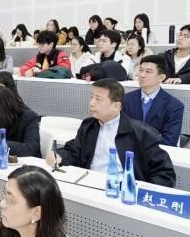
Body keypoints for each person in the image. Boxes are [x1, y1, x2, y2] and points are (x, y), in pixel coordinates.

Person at [46, 79, 176, 187]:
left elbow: (165, 174)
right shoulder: (88, 125)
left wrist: (137, 190)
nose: (91, 103)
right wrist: (60, 156)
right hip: (88, 183)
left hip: (121, 190)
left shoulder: (141, 133)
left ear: (116, 106)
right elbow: (75, 150)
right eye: (92, 97)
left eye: (98, 99)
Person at [122, 56, 184, 147]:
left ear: (161, 77)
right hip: (128, 150)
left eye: (148, 71)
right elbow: (120, 131)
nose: (142, 75)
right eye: (141, 70)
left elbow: (169, 140)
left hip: (158, 153)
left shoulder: (174, 106)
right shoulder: (126, 99)